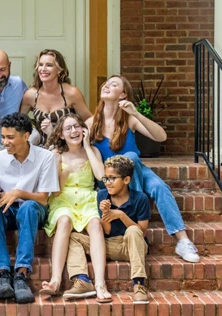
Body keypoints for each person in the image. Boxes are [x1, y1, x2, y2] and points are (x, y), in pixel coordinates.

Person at [86, 75, 201, 263]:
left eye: (113, 85)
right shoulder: (91, 124)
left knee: (159, 186)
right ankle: (136, 221)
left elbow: (161, 137)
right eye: (105, 84)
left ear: (123, 94)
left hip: (137, 171)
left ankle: (183, 241)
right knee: (128, 159)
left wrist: (137, 114)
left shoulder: (129, 118)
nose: (106, 86)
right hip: (110, 178)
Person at [0, 113, 60, 304]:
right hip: (8, 210)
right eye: (3, 137)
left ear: (26, 136)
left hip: (34, 211)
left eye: (10, 137)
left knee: (28, 207)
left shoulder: (45, 158)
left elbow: (43, 199)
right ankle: (3, 273)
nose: (5, 142)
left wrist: (18, 192)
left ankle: (21, 273)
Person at [39, 114, 111, 303]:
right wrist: (65, 172)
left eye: (77, 127)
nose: (74, 131)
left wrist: (87, 146)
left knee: (96, 224)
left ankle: (100, 283)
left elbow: (101, 176)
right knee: (64, 221)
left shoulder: (93, 150)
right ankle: (55, 281)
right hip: (63, 200)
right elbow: (54, 192)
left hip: (87, 199)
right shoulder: (56, 154)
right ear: (61, 135)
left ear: (84, 130)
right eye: (68, 128)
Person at [65, 155, 150, 303]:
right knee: (73, 237)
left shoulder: (140, 198)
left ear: (126, 180)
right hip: (109, 245)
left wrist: (121, 215)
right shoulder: (102, 195)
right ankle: (82, 279)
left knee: (133, 230)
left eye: (112, 178)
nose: (108, 183)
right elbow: (107, 231)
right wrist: (105, 214)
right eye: (105, 178)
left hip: (131, 246)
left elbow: (142, 232)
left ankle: (139, 284)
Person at [19, 49, 91, 145]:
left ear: (59, 70)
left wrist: (82, 140)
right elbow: (19, 122)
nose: (43, 69)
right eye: (40, 65)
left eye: (49, 65)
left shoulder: (72, 93)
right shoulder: (31, 95)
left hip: (67, 147)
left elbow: (89, 120)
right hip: (41, 148)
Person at [0, 49, 28, 119]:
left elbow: (33, 102)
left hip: (14, 129)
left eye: (2, 69)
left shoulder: (19, 83)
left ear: (9, 65)